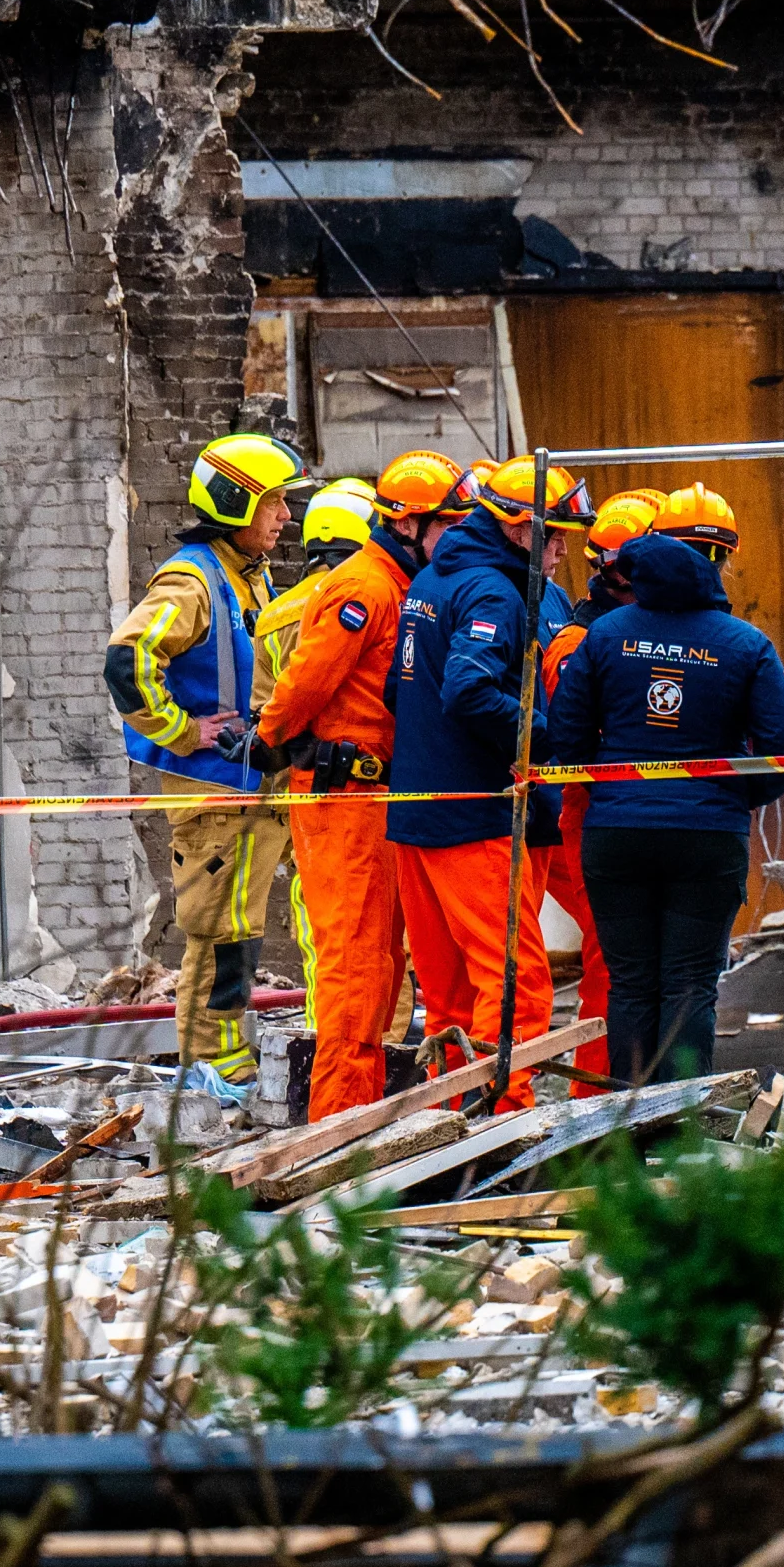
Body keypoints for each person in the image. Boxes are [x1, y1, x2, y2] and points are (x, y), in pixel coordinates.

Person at [541, 518, 784, 1088]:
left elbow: (564, 737)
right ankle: (682, 1123)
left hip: (617, 835)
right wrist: (733, 795)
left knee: (630, 984)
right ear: (710, 575)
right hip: (707, 838)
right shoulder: (744, 643)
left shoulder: (603, 636)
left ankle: (628, 1121)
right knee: (691, 986)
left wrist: (612, 788)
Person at [253, 450, 463, 1118]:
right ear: (407, 523)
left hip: (379, 800)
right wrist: (268, 739)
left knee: (383, 963)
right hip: (345, 801)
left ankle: (362, 1111)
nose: (456, 537)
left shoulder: (401, 585)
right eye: (446, 524)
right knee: (353, 961)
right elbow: (304, 684)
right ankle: (338, 1121)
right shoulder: (363, 589)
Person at [104, 431, 304, 1087]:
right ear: (236, 503)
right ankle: (214, 1072)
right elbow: (127, 660)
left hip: (251, 788)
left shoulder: (247, 575)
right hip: (215, 794)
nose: (285, 515)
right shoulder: (192, 579)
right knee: (220, 938)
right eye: (273, 502)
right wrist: (183, 731)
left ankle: (233, 1065)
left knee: (242, 937)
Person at [385, 453, 566, 1109]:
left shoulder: (432, 581)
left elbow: (397, 689)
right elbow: (467, 690)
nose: (562, 554)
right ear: (520, 530)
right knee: (517, 984)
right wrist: (543, 737)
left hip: (416, 813)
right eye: (556, 538)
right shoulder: (494, 592)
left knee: (448, 999)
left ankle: (443, 1126)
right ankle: (501, 1124)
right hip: (471, 817)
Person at [537, 487, 664, 1064]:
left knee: (647, 966)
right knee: (613, 964)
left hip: (643, 817)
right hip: (599, 816)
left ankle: (648, 1092)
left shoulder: (651, 631)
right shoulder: (578, 643)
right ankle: (601, 1098)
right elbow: (579, 742)